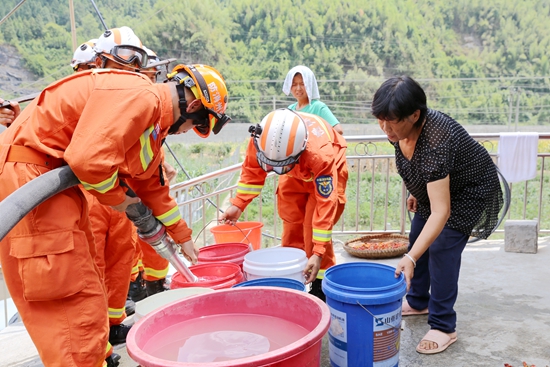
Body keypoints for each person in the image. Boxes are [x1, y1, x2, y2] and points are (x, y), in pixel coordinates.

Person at [0, 58, 230, 366]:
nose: (188, 132)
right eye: (198, 124)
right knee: (72, 307)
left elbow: (152, 188)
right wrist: (120, 200)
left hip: (55, 185)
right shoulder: (142, 97)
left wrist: (183, 238)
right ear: (192, 108)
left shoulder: (151, 126)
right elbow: (88, 161)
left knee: (89, 289)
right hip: (34, 181)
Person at [371, 76, 503, 355]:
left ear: (415, 115)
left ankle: (444, 325)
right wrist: (417, 191)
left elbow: (442, 210)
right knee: (419, 233)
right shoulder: (400, 131)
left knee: (442, 246)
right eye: (380, 119)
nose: (385, 128)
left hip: (469, 189)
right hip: (442, 187)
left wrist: (409, 258)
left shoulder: (437, 138)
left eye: (391, 120)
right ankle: (419, 300)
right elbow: (418, 167)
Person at [221, 108, 348, 301]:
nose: (275, 170)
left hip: (324, 171)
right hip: (295, 171)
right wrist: (238, 205)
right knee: (291, 227)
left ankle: (321, 287)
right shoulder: (261, 138)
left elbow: (325, 204)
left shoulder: (320, 154)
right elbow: (251, 172)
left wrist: (318, 251)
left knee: (313, 231)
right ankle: (293, 279)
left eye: (280, 166)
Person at [282, 65, 343, 135]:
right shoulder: (290, 109)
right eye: (294, 84)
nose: (298, 88)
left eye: (303, 84)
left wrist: (316, 137)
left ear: (310, 85)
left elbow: (338, 130)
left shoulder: (318, 107)